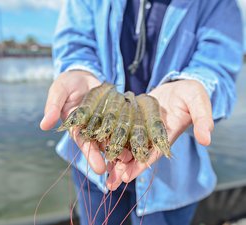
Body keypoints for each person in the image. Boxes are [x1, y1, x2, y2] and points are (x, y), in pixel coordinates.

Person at [40, 0, 243, 224]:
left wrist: (196, 83)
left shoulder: (219, 4)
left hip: (173, 179)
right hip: (91, 171)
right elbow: (76, 43)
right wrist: (78, 69)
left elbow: (217, 67)